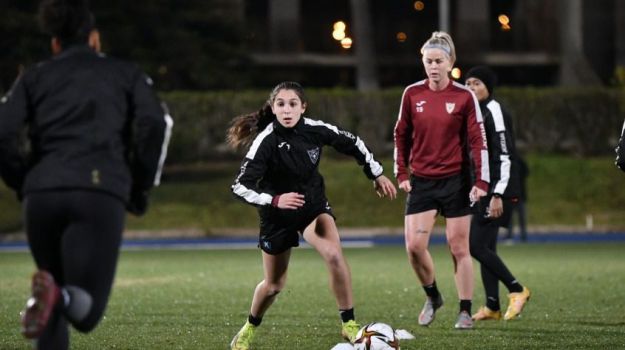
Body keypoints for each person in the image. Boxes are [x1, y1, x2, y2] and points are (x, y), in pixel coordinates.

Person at [0, 0, 173, 348]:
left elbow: (3, 131)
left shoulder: (34, 76)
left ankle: (53, 296)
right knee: (83, 310)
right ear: (94, 39)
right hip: (98, 191)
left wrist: (24, 180)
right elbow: (154, 123)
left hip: (42, 195)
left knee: (51, 300)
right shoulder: (125, 73)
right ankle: (58, 297)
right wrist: (138, 187)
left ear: (55, 43)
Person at [227, 81, 397, 349]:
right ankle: (250, 325)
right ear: (273, 108)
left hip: (311, 206)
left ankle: (349, 324)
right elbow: (239, 186)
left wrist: (375, 173)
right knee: (274, 285)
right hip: (276, 216)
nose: (286, 110)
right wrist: (274, 200)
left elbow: (352, 142)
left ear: (303, 107)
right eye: (280, 104)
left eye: (293, 104)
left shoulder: (315, 130)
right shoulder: (266, 141)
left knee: (333, 255)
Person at [393, 31, 489, 330]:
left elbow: (478, 139)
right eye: (428, 61)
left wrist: (482, 181)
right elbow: (400, 134)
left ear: (450, 63)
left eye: (438, 61)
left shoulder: (464, 96)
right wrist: (401, 171)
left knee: (458, 247)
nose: (433, 66)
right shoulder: (412, 94)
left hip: (456, 182)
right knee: (414, 247)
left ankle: (465, 310)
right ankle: (433, 296)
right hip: (422, 181)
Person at [464, 65, 531, 322]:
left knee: (476, 246)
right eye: (468, 83)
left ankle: (517, 289)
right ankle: (492, 306)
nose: (471, 88)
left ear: (488, 87)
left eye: (477, 83)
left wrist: (497, 193)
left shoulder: (494, 110)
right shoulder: (476, 111)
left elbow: (505, 154)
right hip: (484, 188)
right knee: (486, 247)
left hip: (498, 189)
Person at [505, 155, 529, 242]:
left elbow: (526, 172)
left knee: (521, 217)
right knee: (510, 217)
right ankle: (509, 236)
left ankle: (523, 236)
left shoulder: (520, 162)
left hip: (520, 195)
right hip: (511, 196)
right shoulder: (507, 162)